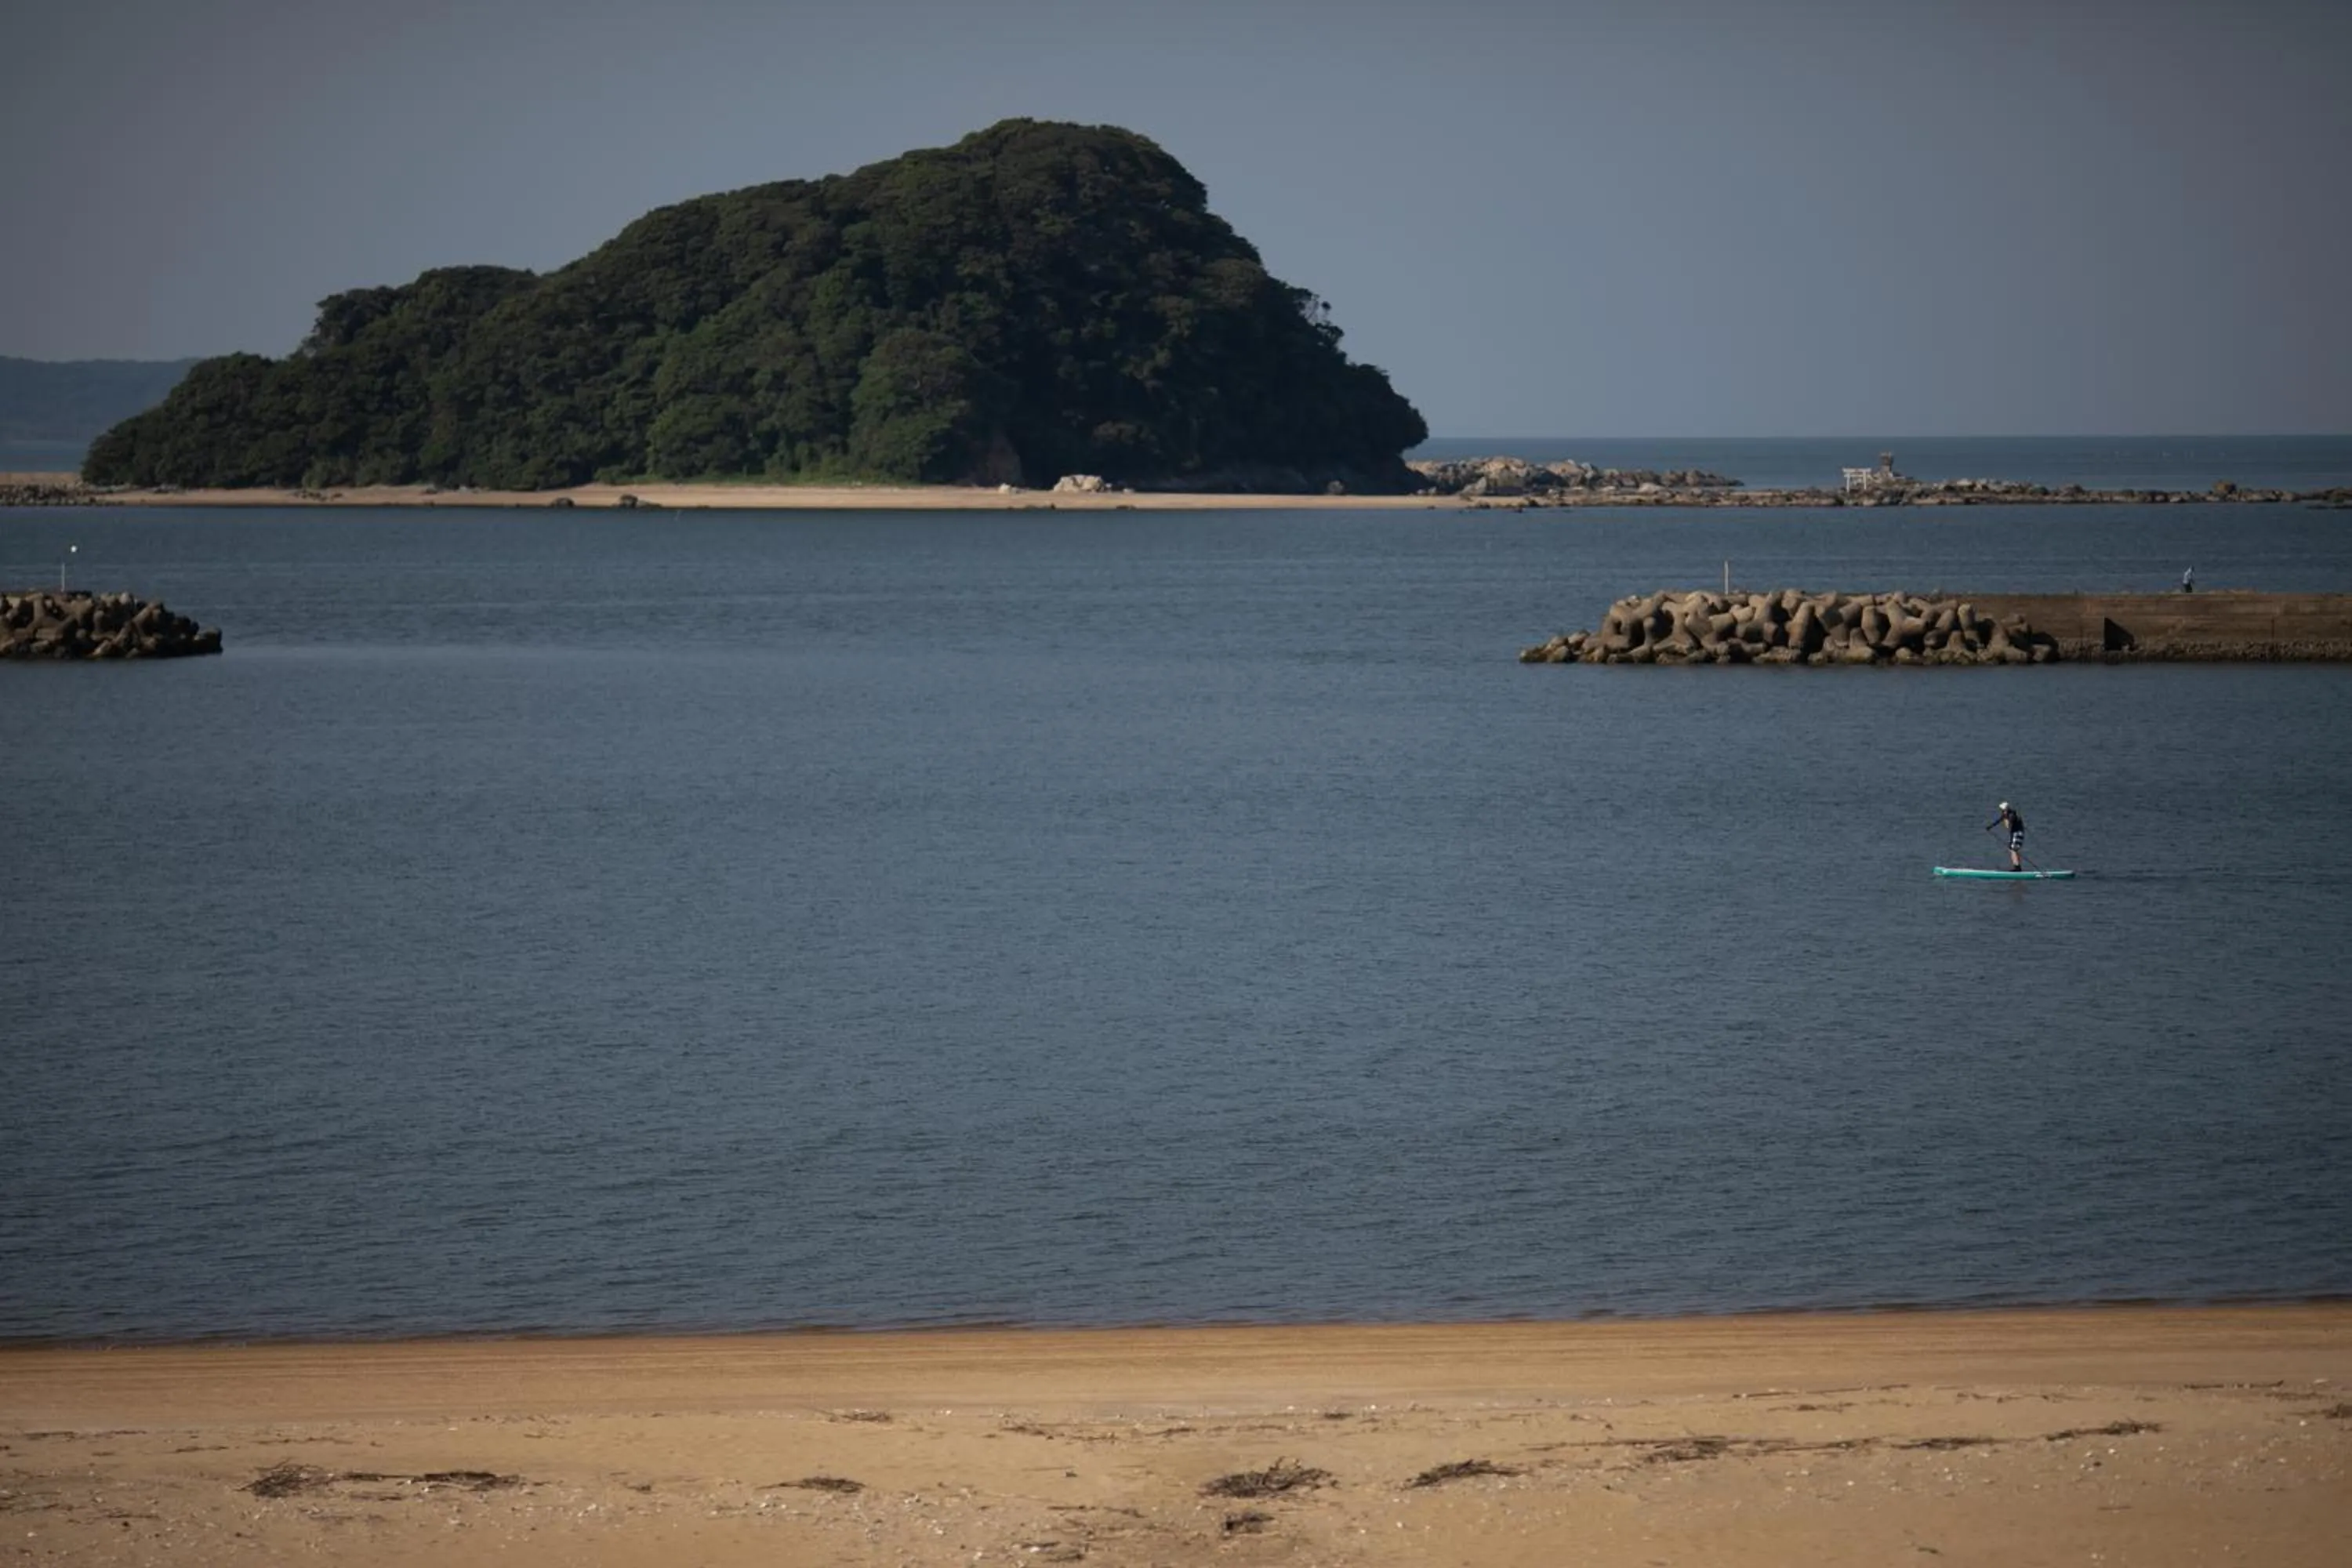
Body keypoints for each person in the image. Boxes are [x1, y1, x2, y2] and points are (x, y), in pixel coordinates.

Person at [1986, 800, 2027, 871]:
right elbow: (1998, 821)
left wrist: (2006, 820)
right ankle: (2017, 867)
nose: (2001, 811)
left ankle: (2017, 868)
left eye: (2002, 810)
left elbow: (2009, 827)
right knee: (2012, 849)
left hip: (2017, 834)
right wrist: (1990, 827)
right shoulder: (2007, 814)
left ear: (2005, 809)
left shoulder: (2011, 815)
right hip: (2015, 833)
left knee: (2013, 849)